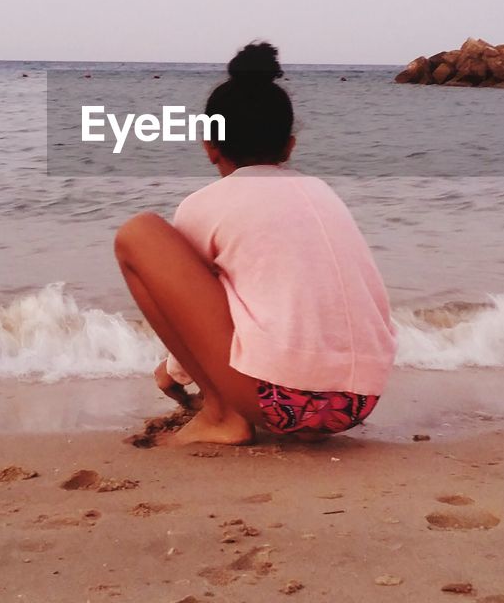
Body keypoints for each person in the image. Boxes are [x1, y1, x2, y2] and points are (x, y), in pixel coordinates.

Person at [113, 42, 396, 445]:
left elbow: (189, 307)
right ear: (289, 146)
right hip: (358, 401)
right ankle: (243, 407)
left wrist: (175, 372)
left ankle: (221, 415)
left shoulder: (203, 206)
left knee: (137, 235)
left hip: (281, 403)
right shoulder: (322, 193)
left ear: (210, 147)